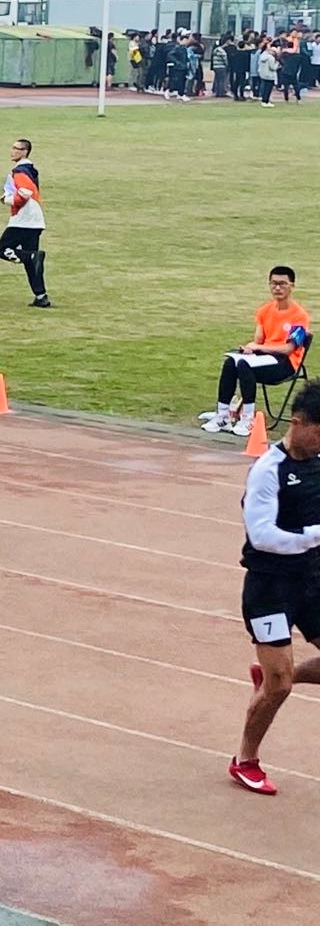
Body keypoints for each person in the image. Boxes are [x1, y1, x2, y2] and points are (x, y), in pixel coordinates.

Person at [228, 383, 320, 795]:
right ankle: (245, 760)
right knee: (278, 687)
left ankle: (275, 676)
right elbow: (263, 536)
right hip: (270, 586)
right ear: (298, 424)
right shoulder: (268, 470)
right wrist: (315, 535)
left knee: (281, 677)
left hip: (312, 580)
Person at [201, 267, 310, 438]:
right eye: (274, 283)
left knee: (245, 366)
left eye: (282, 284)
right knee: (231, 362)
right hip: (264, 358)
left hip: (285, 363)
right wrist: (250, 348)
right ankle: (223, 414)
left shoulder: (299, 316)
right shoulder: (264, 310)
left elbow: (288, 349)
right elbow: (258, 340)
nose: (277, 288)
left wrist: (260, 348)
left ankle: (248, 418)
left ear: (292, 286)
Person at [0, 137, 49, 308]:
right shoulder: (31, 170)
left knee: (2, 250)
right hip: (35, 220)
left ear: (25, 152)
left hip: (23, 219)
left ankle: (31, 257)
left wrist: (7, 200)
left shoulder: (20, 171)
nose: (12, 151)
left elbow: (24, 193)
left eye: (16, 148)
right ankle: (41, 296)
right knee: (32, 264)